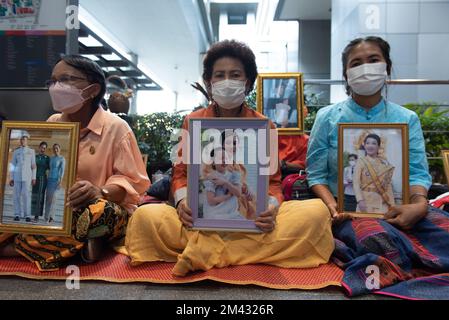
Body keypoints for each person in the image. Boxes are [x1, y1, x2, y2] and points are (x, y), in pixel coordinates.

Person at [125, 39, 334, 277]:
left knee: (315, 212)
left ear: (248, 83)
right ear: (209, 82)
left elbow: (273, 183)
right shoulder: (192, 122)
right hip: (202, 221)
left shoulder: (265, 126)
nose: (227, 82)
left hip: (250, 222)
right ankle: (238, 254)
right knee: (146, 216)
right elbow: (181, 174)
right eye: (219, 75)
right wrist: (183, 203)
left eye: (235, 75)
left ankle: (205, 253)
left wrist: (270, 209)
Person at [306, 36, 449, 296]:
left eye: (373, 60)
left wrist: (418, 207)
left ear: (387, 67)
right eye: (356, 63)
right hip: (350, 212)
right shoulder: (327, 118)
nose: (365, 67)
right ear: (346, 74)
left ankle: (406, 263)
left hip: (404, 206)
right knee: (378, 240)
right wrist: (334, 207)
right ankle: (412, 261)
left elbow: (417, 172)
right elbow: (316, 175)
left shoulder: (407, 119)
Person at [0, 55, 150, 271]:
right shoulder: (53, 123)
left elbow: (133, 183)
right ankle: (78, 247)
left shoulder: (116, 128)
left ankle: (15, 247)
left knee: (98, 213)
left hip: (100, 208)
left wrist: (100, 191)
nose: (56, 87)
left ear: (93, 90)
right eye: (52, 81)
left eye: (66, 79)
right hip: (57, 206)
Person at [353, 134, 395, 213]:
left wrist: (392, 204)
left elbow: (387, 185)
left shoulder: (384, 163)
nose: (370, 146)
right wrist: (360, 200)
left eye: (374, 143)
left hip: (381, 203)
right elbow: (356, 183)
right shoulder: (361, 162)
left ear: (378, 146)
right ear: (364, 145)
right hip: (365, 202)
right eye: (367, 143)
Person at [201, 148, 243, 220]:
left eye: (226, 158)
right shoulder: (212, 177)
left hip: (232, 214)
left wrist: (225, 182)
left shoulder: (234, 175)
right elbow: (211, 201)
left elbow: (238, 193)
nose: (224, 161)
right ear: (213, 162)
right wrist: (228, 195)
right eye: (221, 158)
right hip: (216, 214)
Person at [9, 134, 36, 223]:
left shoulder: (31, 151)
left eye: (24, 139)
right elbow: (12, 165)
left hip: (27, 176)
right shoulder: (16, 152)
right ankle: (17, 214)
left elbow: (33, 166)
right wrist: (11, 177)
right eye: (21, 140)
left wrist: (33, 177)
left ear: (27, 140)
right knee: (16, 195)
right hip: (17, 176)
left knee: (26, 196)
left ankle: (27, 215)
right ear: (20, 141)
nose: (22, 141)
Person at [44, 144, 66, 224]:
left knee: (54, 199)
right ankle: (46, 216)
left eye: (57, 148)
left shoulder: (62, 159)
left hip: (56, 181)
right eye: (54, 148)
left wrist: (60, 181)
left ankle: (52, 217)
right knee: (48, 199)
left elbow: (62, 171)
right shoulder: (51, 158)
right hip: (49, 180)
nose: (55, 150)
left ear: (59, 149)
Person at [31, 141, 50, 222]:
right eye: (42, 147)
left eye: (45, 148)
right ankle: (32, 213)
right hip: (34, 178)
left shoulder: (47, 158)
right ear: (39, 147)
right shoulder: (34, 157)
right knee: (34, 196)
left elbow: (50, 169)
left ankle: (37, 216)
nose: (43, 149)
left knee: (40, 197)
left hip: (42, 179)